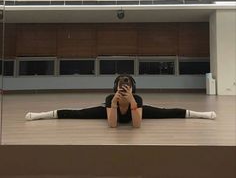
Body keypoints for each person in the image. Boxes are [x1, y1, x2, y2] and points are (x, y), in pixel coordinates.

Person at [25, 74, 216, 128]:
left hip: (135, 109)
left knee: (166, 112)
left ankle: (202, 115)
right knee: (78, 113)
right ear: (115, 88)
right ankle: (41, 115)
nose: (123, 88)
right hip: (112, 110)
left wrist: (132, 101)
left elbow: (137, 125)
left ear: (132, 88)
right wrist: (114, 103)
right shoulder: (110, 98)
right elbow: (113, 126)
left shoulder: (137, 98)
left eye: (127, 86)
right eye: (121, 86)